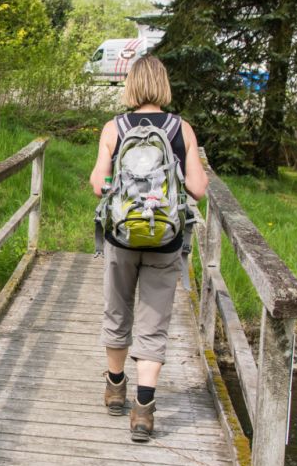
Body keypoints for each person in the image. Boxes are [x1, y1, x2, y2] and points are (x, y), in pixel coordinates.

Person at [88, 55, 208, 442]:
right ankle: (143, 411)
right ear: (163, 85)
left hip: (121, 237)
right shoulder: (181, 129)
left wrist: (120, 189)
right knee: (153, 323)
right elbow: (198, 189)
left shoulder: (114, 128)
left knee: (117, 309)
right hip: (166, 240)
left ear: (131, 86)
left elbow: (99, 185)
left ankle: (115, 388)